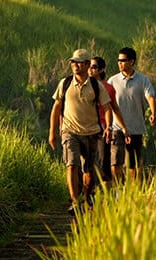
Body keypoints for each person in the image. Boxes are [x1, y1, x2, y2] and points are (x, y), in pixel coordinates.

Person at [49, 49, 131, 214]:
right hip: (69, 131)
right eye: (73, 62)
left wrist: (108, 126)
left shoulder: (97, 86)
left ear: (87, 65)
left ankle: (86, 197)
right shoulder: (65, 83)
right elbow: (56, 107)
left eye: (79, 62)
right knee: (71, 164)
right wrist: (52, 132)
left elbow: (108, 108)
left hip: (91, 132)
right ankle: (74, 201)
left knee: (88, 171)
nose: (75, 65)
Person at [108, 46, 156, 183]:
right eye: (118, 60)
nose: (120, 63)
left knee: (133, 164)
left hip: (136, 128)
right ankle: (117, 191)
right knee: (115, 162)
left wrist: (153, 112)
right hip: (116, 127)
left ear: (132, 61)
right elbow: (106, 104)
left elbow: (151, 97)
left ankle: (132, 192)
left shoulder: (143, 80)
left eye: (123, 60)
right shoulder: (112, 81)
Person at [88, 56, 119, 189]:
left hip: (102, 129)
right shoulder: (83, 86)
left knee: (104, 164)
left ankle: (107, 197)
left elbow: (113, 109)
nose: (90, 69)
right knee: (87, 165)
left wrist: (113, 127)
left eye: (93, 67)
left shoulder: (108, 88)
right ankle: (86, 196)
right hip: (86, 128)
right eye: (88, 66)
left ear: (101, 70)